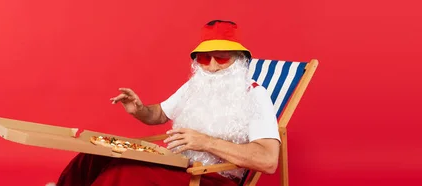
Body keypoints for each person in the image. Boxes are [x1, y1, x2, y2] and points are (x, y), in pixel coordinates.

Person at [55, 20, 281, 186]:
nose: (211, 66)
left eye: (221, 57)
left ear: (239, 58)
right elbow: (159, 115)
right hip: (177, 164)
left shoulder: (255, 96)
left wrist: (205, 142)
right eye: (204, 58)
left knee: (124, 173)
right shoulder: (197, 85)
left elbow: (268, 161)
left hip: (212, 178)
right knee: (97, 154)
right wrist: (140, 109)